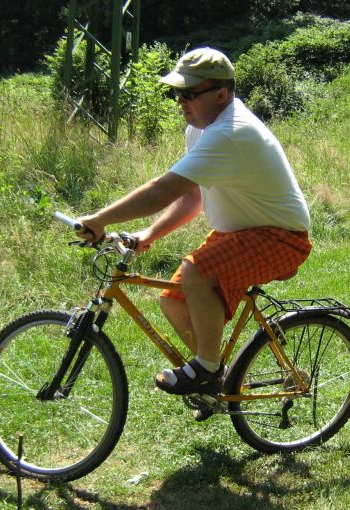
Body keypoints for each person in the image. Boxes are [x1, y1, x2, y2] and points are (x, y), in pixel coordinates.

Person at [77, 47, 311, 396]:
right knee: (174, 299)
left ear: (221, 94)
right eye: (177, 92)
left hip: (281, 238)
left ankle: (206, 369)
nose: (180, 101)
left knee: (195, 271)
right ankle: (215, 377)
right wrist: (150, 233)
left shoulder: (230, 132)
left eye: (189, 93)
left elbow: (163, 190)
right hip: (240, 233)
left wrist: (99, 219)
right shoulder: (200, 129)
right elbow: (191, 196)